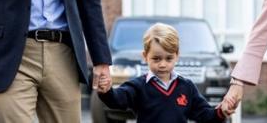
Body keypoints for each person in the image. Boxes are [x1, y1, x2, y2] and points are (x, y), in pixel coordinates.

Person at [97, 23, 228, 123]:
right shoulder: (138, 87)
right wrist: (106, 91)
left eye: (169, 58)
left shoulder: (187, 87)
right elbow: (117, 100)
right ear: (145, 56)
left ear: (177, 56)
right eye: (156, 59)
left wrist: (221, 111)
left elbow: (204, 115)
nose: (163, 64)